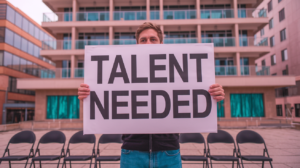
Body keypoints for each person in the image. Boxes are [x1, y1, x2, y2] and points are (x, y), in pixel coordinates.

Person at [78, 22, 225, 168]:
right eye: (143, 40)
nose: (148, 43)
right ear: (137, 44)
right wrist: (88, 96)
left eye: (153, 39)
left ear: (161, 43)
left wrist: (212, 94)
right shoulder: (125, 70)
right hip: (132, 152)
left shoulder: (175, 70)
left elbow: (192, 97)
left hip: (169, 152)